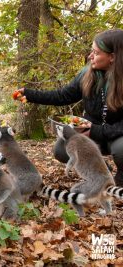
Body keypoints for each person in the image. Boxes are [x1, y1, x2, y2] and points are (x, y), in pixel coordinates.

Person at [14, 29, 123, 186]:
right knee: (62, 149)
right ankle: (103, 174)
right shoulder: (88, 74)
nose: (90, 56)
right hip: (90, 132)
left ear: (112, 57)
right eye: (92, 51)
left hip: (116, 135)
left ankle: (120, 182)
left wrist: (97, 130)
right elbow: (62, 96)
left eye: (96, 53)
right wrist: (30, 94)